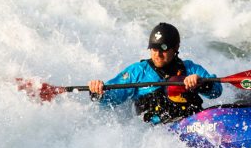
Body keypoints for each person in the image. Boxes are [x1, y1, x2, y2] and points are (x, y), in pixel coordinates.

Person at [88, 23, 222, 124]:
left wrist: (201, 84)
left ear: (176, 48)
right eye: (154, 48)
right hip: (158, 134)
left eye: (163, 49)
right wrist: (98, 92)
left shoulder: (190, 69)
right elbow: (112, 99)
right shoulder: (138, 72)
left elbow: (216, 92)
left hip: (192, 124)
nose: (157, 54)